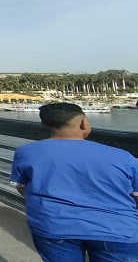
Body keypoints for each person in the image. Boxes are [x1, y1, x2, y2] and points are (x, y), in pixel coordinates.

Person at [10, 103, 138, 261]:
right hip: (116, 229)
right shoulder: (122, 157)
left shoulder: (26, 152)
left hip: (53, 225)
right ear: (83, 123)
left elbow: (21, 187)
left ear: (44, 125)